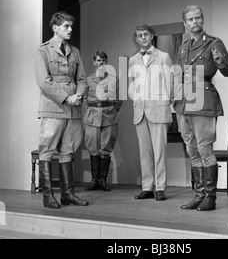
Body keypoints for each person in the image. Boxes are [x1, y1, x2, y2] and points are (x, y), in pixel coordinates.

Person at [173, 5, 228, 211]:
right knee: (192, 150)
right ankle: (199, 195)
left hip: (204, 101)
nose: (195, 22)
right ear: (185, 23)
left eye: (198, 18)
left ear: (203, 20)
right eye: (190, 19)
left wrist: (221, 61)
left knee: (205, 148)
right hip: (184, 103)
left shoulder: (214, 43)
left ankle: (210, 197)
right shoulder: (183, 47)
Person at [35, 11, 89, 209]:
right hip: (54, 108)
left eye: (71, 26)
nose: (70, 29)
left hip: (73, 110)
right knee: (47, 151)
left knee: (68, 151)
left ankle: (68, 194)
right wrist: (67, 97)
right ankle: (48, 196)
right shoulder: (43, 51)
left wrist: (79, 95)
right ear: (55, 28)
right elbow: (43, 81)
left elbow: (82, 79)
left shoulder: (74, 51)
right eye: (66, 26)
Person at [128, 25, 173, 201]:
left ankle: (160, 187)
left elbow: (170, 82)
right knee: (144, 151)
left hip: (158, 109)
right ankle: (147, 187)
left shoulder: (163, 57)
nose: (143, 38)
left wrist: (166, 103)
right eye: (140, 35)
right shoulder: (132, 60)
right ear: (137, 39)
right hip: (140, 111)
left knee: (160, 150)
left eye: (146, 34)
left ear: (152, 36)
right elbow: (132, 84)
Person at [83, 51, 122, 191]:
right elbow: (84, 99)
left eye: (103, 61)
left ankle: (103, 180)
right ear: (94, 62)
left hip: (108, 116)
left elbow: (119, 99)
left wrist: (112, 110)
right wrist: (88, 112)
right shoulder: (88, 80)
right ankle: (94, 180)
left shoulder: (113, 79)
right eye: (98, 60)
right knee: (93, 147)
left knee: (106, 147)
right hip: (92, 116)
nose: (101, 63)